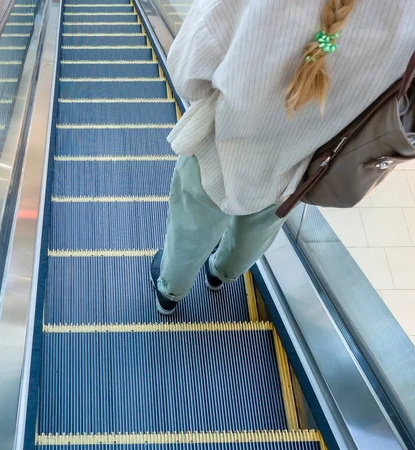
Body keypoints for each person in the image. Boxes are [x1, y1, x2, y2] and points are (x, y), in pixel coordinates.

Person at [151, 0, 415, 315]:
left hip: (220, 148)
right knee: (258, 231)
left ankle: (170, 292)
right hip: (299, 165)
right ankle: (221, 275)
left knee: (192, 225)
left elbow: (187, 75)